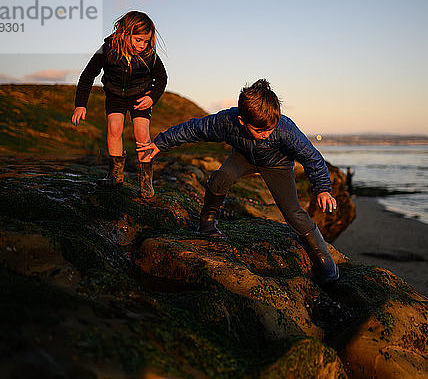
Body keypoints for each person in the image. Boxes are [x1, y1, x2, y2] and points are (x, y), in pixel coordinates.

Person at [136, 79, 339, 284]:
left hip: (277, 164)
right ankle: (208, 222)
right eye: (259, 131)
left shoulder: (286, 130)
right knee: (221, 178)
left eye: (270, 129)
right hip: (243, 157)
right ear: (242, 121)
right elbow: (194, 129)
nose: (265, 135)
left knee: (293, 212)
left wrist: (322, 188)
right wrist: (160, 144)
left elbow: (311, 157)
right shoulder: (227, 121)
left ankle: (324, 259)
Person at [71, 11, 167, 199]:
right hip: (115, 94)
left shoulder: (149, 55)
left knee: (141, 133)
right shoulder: (107, 49)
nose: (142, 45)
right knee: (114, 129)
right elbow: (88, 75)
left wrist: (152, 98)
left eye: (146, 41)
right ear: (124, 33)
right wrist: (80, 104)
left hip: (141, 96)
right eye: (138, 40)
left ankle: (146, 182)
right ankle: (115, 175)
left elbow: (162, 78)